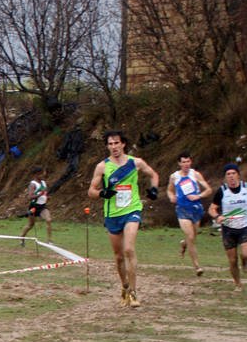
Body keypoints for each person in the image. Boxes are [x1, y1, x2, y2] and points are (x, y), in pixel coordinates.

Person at [87, 130, 160, 308]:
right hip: (112, 214)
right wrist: (102, 193)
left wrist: (154, 189)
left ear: (123, 144)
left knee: (128, 249)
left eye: (116, 143)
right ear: (107, 146)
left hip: (132, 210)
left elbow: (154, 175)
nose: (114, 147)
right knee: (119, 257)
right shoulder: (102, 167)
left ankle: (134, 292)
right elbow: (91, 191)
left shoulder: (136, 163)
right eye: (110, 144)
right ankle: (124, 286)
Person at [166, 152, 212, 277]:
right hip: (182, 209)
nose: (186, 164)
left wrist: (198, 196)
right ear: (179, 163)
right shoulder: (174, 177)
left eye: (188, 162)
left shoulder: (195, 174)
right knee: (190, 236)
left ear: (191, 162)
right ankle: (197, 266)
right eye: (183, 162)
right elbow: (169, 190)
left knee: (192, 237)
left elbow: (209, 190)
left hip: (196, 209)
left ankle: (184, 244)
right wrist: (171, 197)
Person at [208, 163, 247, 292]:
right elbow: (212, 209)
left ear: (238, 175)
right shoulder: (222, 191)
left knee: (245, 253)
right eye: (228, 174)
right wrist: (217, 217)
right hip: (229, 229)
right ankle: (238, 284)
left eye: (233, 173)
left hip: (244, 226)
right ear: (225, 177)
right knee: (232, 260)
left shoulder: (245, 188)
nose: (231, 176)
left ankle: (244, 263)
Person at [19, 165, 53, 245]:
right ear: (36, 174)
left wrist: (46, 197)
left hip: (42, 206)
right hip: (34, 207)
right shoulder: (33, 184)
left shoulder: (44, 183)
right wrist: (41, 194)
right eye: (41, 174)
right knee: (31, 225)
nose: (43, 175)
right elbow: (30, 197)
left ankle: (49, 240)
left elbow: (44, 194)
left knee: (48, 220)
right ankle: (21, 237)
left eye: (42, 173)